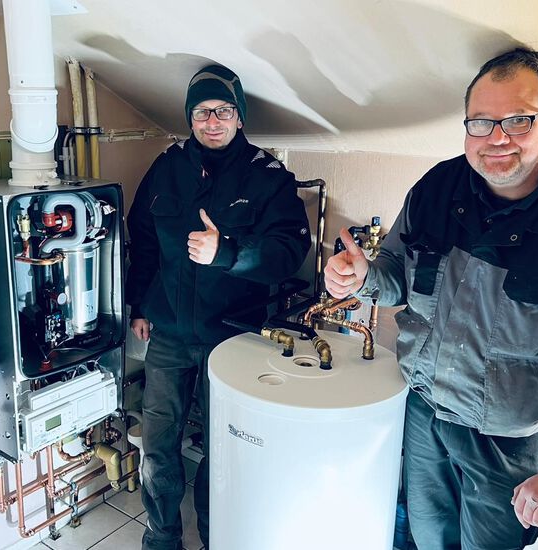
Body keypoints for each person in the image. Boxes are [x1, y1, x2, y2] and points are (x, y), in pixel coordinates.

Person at [324, 47, 538, 549]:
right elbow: (396, 274)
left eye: (518, 120)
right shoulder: (437, 188)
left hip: (512, 440)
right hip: (427, 410)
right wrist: (363, 278)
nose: (497, 138)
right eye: (481, 123)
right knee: (428, 537)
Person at [126, 64, 311, 550]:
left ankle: (216, 537)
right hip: (168, 333)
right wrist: (139, 305)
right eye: (202, 112)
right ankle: (161, 537)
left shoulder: (267, 176)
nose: (213, 121)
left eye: (224, 111)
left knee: (223, 448)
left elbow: (290, 251)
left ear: (240, 117)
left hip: (231, 339)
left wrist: (226, 251)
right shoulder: (166, 167)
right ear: (190, 118)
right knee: (158, 446)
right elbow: (143, 241)